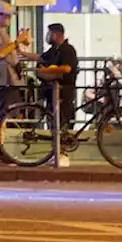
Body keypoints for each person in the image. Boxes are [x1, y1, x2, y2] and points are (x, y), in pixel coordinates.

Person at [0, 2, 38, 165]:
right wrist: (17, 41)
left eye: (9, 16)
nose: (8, 19)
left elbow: (7, 52)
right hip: (1, 77)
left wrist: (18, 45)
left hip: (5, 77)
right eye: (6, 15)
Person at [38, 23, 80, 166]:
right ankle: (56, 152)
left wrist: (46, 71)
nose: (47, 37)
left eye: (49, 33)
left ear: (56, 34)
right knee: (53, 122)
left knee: (62, 121)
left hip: (64, 90)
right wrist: (22, 52)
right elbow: (41, 58)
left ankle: (62, 153)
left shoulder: (67, 50)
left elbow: (67, 68)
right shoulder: (53, 50)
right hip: (52, 90)